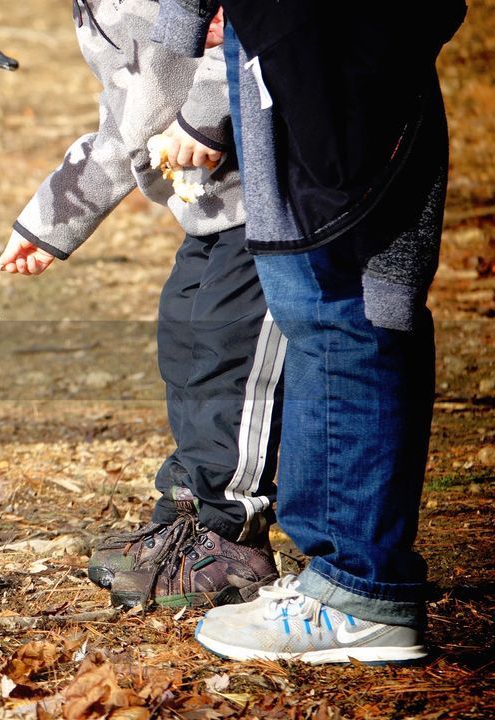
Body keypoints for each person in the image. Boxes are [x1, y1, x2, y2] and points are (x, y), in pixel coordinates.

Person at [152, 0, 466, 663]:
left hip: (322, 43)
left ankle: (356, 590)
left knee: (344, 307)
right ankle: (348, 580)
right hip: (298, 43)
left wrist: (182, 30)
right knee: (332, 301)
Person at [0, 0, 281, 609]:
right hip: (209, 211)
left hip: (268, 204)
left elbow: (239, 36)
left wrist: (204, 119)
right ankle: (186, 516)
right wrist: (47, 224)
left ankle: (233, 534)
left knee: (230, 350)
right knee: (183, 339)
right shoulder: (95, 12)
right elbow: (125, 127)